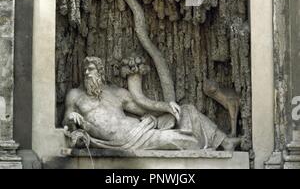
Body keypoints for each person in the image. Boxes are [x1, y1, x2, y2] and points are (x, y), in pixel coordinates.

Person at [63, 56, 240, 151]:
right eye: (85, 70)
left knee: (187, 109)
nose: (87, 73)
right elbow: (66, 123)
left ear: (100, 73)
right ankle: (202, 143)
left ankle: (225, 142)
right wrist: (71, 118)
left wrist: (167, 106)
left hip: (141, 128)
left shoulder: (116, 93)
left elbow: (142, 107)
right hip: (125, 140)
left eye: (91, 69)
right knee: (186, 141)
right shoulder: (75, 95)